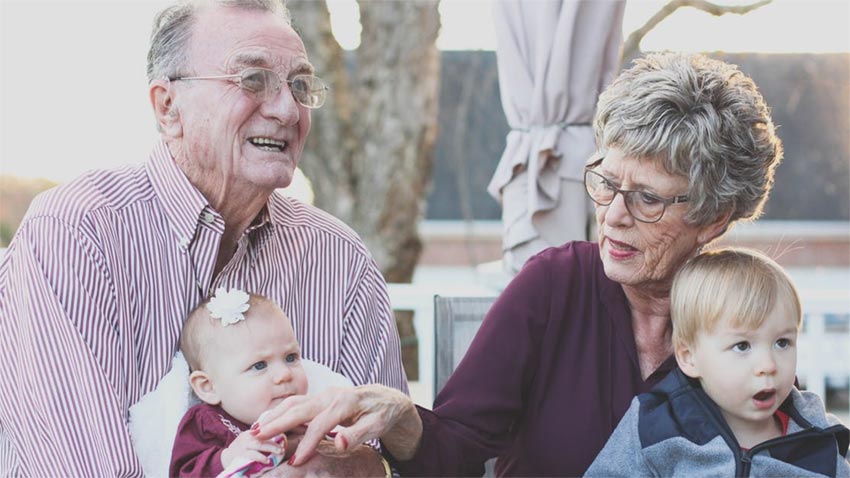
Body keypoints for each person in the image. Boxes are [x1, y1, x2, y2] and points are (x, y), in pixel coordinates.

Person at [253, 51, 788, 476]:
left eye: (647, 198)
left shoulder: (747, 315)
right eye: (606, 182)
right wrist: (400, 416)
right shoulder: (553, 286)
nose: (613, 216)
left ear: (714, 216)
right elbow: (456, 451)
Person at [0, 1, 406, 476]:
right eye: (252, 80)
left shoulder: (338, 257)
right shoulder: (78, 232)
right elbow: (78, 467)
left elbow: (385, 457)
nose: (286, 109)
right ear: (168, 107)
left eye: (299, 85)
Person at [585, 248, 850, 477]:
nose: (768, 365)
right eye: (742, 346)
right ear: (689, 358)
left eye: (782, 343)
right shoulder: (655, 426)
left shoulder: (818, 439)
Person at [170, 289, 306, 477]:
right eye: (259, 365)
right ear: (208, 387)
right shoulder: (206, 422)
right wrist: (226, 458)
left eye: (291, 357)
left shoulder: (309, 416)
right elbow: (182, 473)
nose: (284, 374)